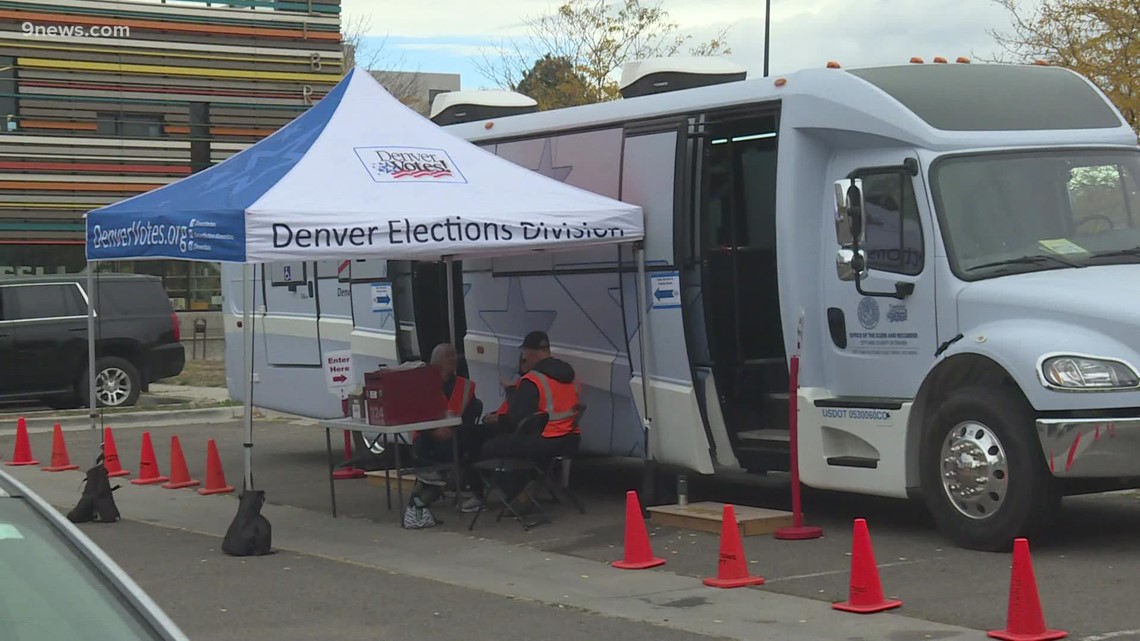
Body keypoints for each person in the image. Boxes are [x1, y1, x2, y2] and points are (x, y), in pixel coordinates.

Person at [463, 331, 581, 512]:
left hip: (545, 440)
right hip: (569, 439)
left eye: (524, 352)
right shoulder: (569, 375)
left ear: (530, 352)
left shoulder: (533, 380)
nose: (523, 357)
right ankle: (524, 489)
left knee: (487, 445)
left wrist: (496, 419)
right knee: (505, 441)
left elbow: (515, 421)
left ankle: (513, 493)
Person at [412, 343, 481, 469]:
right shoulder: (423, 385)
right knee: (421, 446)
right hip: (427, 434)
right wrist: (434, 433)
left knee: (453, 447)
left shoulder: (465, 386)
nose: (452, 359)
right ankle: (426, 482)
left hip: (455, 435)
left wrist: (452, 432)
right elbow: (417, 415)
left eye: (453, 355)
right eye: (447, 356)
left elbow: (470, 417)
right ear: (436, 361)